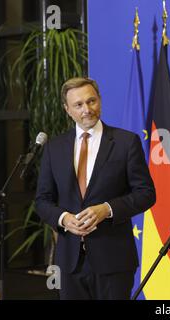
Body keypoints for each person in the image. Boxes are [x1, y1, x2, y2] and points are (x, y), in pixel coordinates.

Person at [36, 77, 155, 299]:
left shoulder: (125, 142)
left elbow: (146, 193)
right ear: (67, 109)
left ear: (99, 100)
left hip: (113, 260)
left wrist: (107, 209)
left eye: (91, 101)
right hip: (69, 262)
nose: (87, 109)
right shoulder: (54, 148)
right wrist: (63, 218)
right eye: (78, 105)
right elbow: (42, 200)